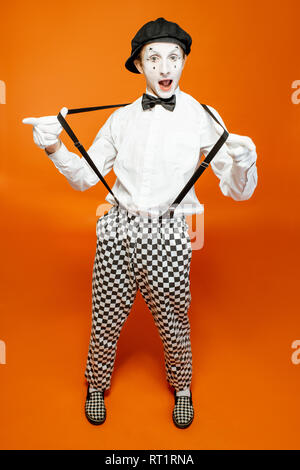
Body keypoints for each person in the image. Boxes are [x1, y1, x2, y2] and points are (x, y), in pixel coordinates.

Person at [22, 17, 258, 429]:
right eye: (154, 59)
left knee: (173, 319)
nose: (165, 68)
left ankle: (182, 388)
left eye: (173, 57)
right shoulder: (120, 120)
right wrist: (54, 146)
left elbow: (238, 192)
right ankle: (95, 385)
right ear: (138, 65)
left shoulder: (201, 117)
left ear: (183, 61)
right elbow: (83, 178)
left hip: (168, 233)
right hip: (116, 229)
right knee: (105, 316)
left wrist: (245, 161)